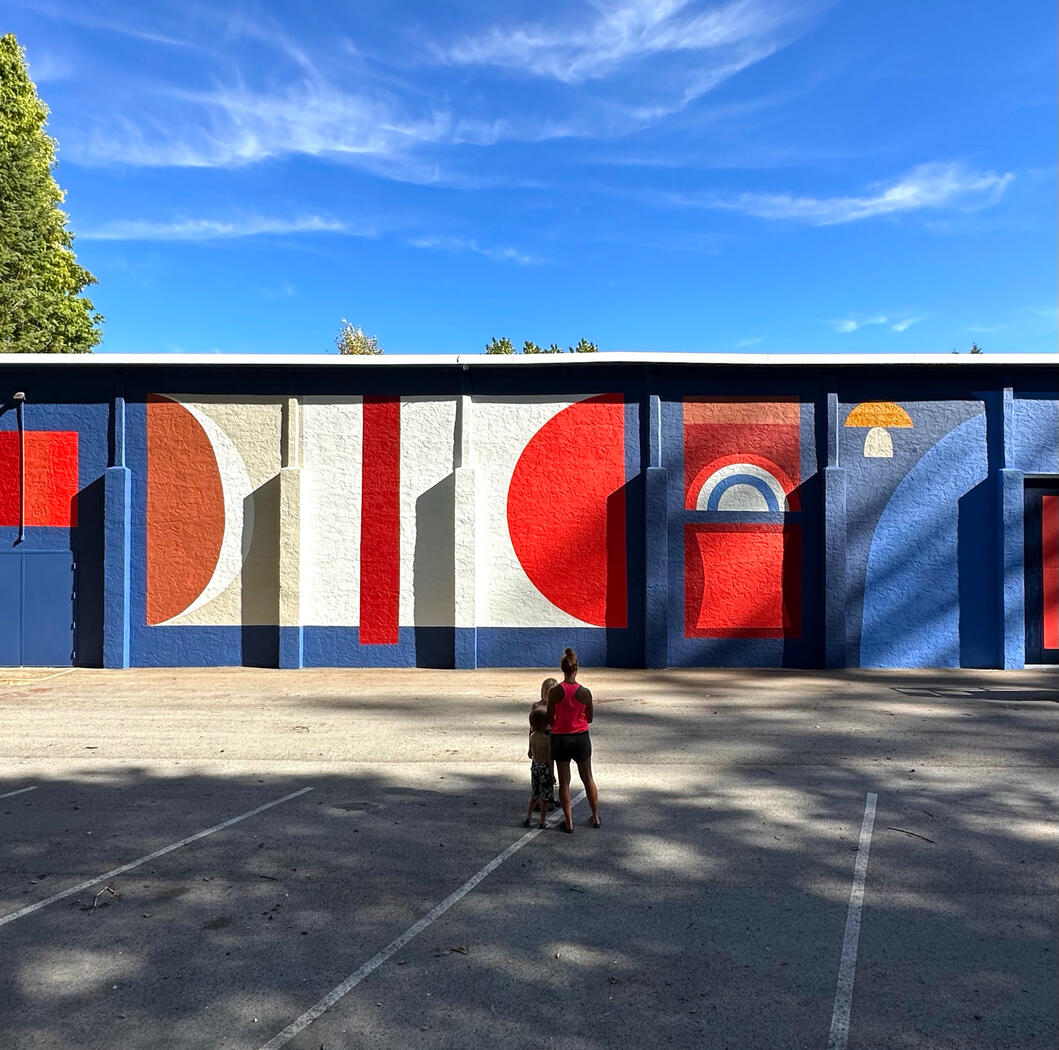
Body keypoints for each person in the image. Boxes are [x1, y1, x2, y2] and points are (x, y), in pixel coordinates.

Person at [546, 647, 600, 832]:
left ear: (563, 669)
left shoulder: (554, 692)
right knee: (588, 778)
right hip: (581, 738)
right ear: (576, 669)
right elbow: (590, 718)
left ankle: (568, 822)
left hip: (560, 739)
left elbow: (550, 718)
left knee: (564, 781)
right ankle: (595, 816)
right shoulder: (585, 693)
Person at [530, 677, 559, 809]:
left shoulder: (555, 707)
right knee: (536, 768)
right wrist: (529, 746)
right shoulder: (537, 705)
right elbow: (531, 728)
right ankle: (536, 797)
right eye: (548, 693)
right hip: (537, 739)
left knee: (549, 770)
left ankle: (548, 797)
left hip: (550, 738)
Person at [523, 708, 553, 828]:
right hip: (544, 768)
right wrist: (552, 774)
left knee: (535, 794)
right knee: (545, 797)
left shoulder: (533, 736)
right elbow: (549, 758)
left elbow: (530, 753)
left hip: (535, 766)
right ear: (545, 724)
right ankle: (542, 820)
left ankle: (528, 816)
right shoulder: (547, 739)